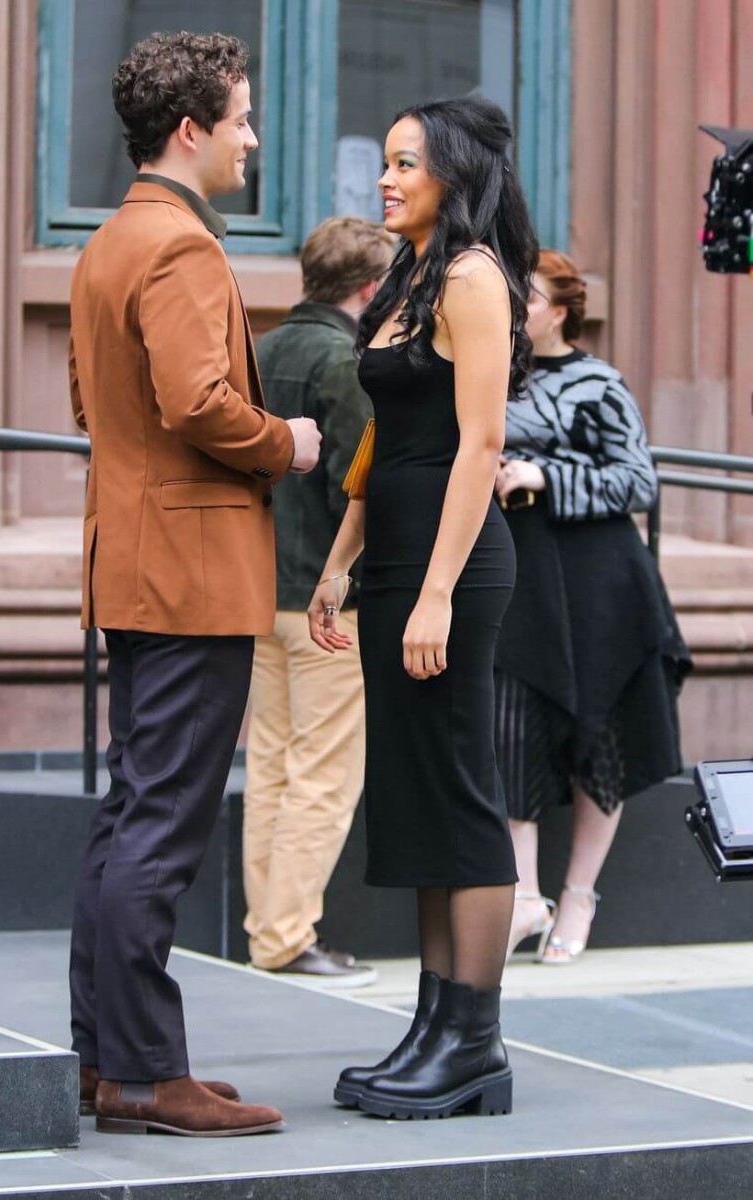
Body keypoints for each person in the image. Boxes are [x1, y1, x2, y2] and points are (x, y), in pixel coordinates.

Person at [67, 31, 321, 1138]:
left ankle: (119, 1062)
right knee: (161, 822)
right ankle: (136, 1072)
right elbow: (196, 403)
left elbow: (98, 409)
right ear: (192, 128)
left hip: (138, 562)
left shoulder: (109, 242)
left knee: (133, 815)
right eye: (245, 117)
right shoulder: (178, 248)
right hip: (190, 572)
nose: (253, 138)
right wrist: (290, 443)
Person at [308, 97, 538, 1119]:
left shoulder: (476, 277)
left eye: (407, 163)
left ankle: (476, 1042)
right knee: (418, 799)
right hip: (396, 563)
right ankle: (436, 1023)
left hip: (454, 570)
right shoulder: (407, 281)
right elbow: (380, 442)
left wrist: (437, 591)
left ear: (453, 171)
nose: (386, 177)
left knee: (461, 792)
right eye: (386, 161)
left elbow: (478, 448)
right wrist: (339, 561)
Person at [495, 249, 691, 963]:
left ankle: (578, 894)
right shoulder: (491, 375)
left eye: (530, 297)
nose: (516, 308)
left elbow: (637, 480)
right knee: (510, 728)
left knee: (599, 739)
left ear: (562, 309)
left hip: (600, 584)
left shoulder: (599, 383)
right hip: (521, 583)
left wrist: (544, 474)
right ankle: (522, 897)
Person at [243, 217, 394, 988]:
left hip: (261, 590)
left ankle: (269, 932)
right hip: (329, 602)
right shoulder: (348, 363)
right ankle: (285, 935)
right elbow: (361, 487)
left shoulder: (260, 350)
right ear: (370, 289)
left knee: (271, 764)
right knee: (324, 775)